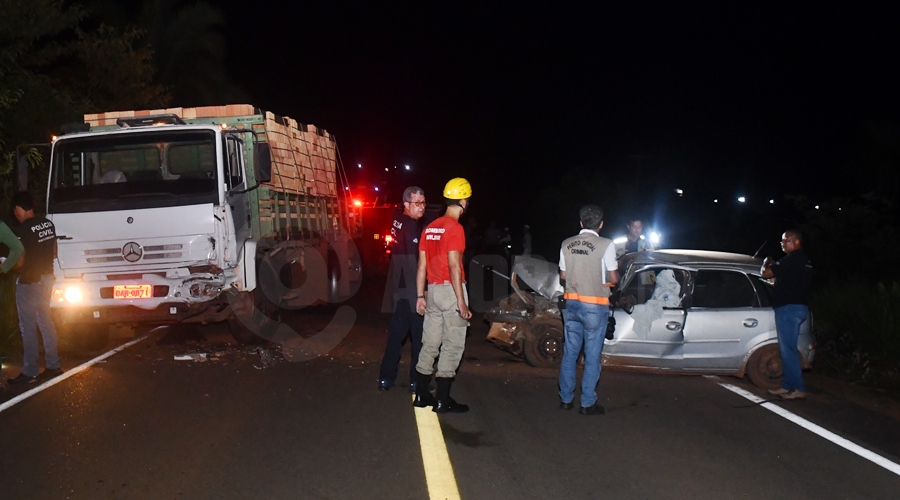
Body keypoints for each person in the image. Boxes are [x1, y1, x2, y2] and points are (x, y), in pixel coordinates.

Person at [413, 177, 473, 413]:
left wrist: (420, 296)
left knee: (429, 344)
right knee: (452, 345)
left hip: (433, 291)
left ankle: (421, 395)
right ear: (464, 201)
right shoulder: (455, 228)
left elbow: (421, 266)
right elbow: (455, 265)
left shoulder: (429, 227)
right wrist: (461, 300)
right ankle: (443, 400)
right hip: (450, 291)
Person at [558, 205, 619, 415]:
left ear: (581, 223)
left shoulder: (566, 244)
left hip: (571, 304)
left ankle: (565, 399)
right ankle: (587, 403)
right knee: (592, 355)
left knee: (570, 353)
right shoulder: (606, 244)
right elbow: (613, 278)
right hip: (595, 306)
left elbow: (563, 276)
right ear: (601, 224)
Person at [7, 192, 63, 384]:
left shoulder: (22, 230)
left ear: (18, 209)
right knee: (45, 321)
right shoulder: (48, 224)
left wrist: (9, 266)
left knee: (27, 326)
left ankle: (30, 371)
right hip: (47, 278)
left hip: (29, 282)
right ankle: (53, 365)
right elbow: (54, 251)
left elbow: (20, 259)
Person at [377, 186, 427, 392]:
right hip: (409, 289)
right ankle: (417, 381)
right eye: (417, 203)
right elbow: (415, 262)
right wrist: (420, 294)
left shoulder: (397, 219)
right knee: (419, 337)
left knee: (397, 335)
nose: (421, 207)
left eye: (423, 202)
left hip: (398, 287)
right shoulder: (412, 226)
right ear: (407, 204)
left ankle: (385, 378)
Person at [761, 230, 813, 400]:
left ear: (796, 242)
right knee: (787, 349)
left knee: (788, 350)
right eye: (782, 241)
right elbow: (788, 281)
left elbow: (766, 274)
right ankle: (787, 385)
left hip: (788, 309)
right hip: (799, 307)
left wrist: (766, 262)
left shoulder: (791, 259)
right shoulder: (804, 261)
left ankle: (798, 387)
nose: (782, 244)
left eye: (786, 241)